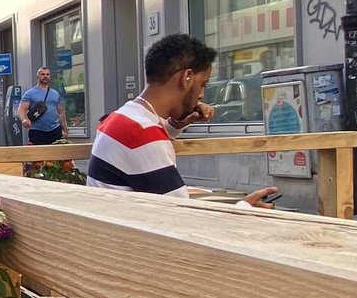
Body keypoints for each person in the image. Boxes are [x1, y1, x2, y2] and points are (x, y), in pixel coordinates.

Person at [86, 34, 280, 207]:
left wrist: (177, 124)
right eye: (202, 84)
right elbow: (183, 216)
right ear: (187, 77)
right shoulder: (141, 134)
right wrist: (244, 208)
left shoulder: (121, 118)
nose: (202, 95)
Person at [18, 66, 67, 146]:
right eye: (42, 74)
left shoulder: (55, 93)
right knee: (37, 157)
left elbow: (61, 113)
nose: (45, 76)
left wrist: (65, 130)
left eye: (47, 74)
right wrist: (24, 120)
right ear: (38, 76)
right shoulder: (30, 93)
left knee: (56, 157)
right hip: (37, 131)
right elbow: (21, 109)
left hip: (55, 130)